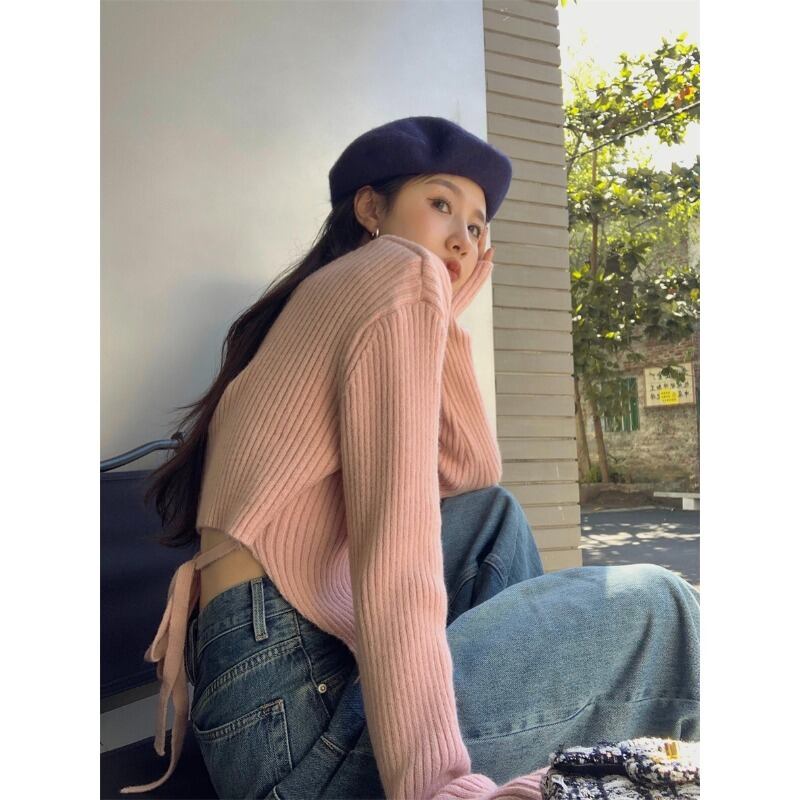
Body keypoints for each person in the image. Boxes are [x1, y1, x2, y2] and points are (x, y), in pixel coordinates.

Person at [120, 116, 700, 799]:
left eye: (477, 227)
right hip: (287, 735)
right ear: (371, 208)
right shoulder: (395, 272)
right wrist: (434, 786)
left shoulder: (349, 285)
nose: (463, 238)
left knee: (491, 518)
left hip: (256, 686)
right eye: (441, 204)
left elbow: (469, 473)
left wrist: (442, 312)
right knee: (662, 609)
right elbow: (395, 558)